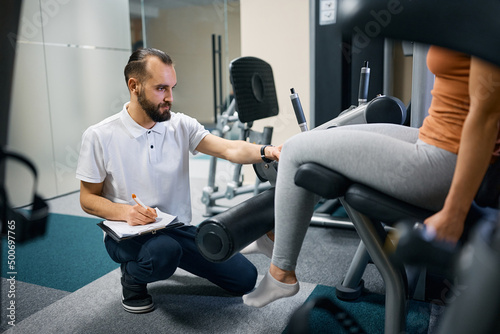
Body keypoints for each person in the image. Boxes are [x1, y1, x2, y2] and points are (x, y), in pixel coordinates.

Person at [242, 45, 500, 308]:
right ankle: (274, 235)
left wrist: (454, 213)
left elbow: (486, 116)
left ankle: (281, 273)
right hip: (432, 139)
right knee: (317, 137)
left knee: (296, 150)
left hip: (447, 161)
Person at [76, 47, 281, 313]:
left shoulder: (180, 125)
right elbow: (87, 199)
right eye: (161, 88)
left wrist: (267, 152)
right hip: (128, 235)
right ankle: (132, 279)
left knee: (244, 279)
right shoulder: (100, 135)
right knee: (163, 252)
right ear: (134, 86)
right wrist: (126, 212)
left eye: (172, 88)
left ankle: (170, 257)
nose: (170, 98)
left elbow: (229, 149)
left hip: (175, 227)